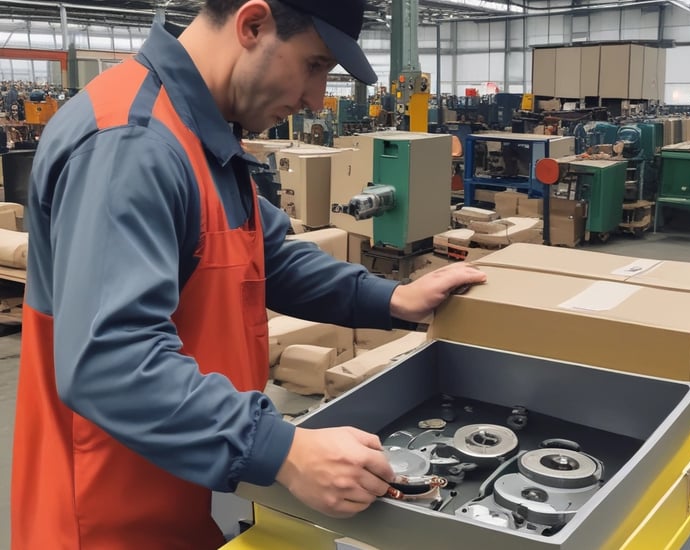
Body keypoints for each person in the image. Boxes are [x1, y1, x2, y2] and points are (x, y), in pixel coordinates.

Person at [11, 1, 487, 549]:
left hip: (177, 478)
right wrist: (280, 450)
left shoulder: (197, 134)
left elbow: (266, 258)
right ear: (252, 24)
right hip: (106, 510)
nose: (315, 98)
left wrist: (394, 299)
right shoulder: (131, 145)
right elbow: (109, 360)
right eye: (314, 65)